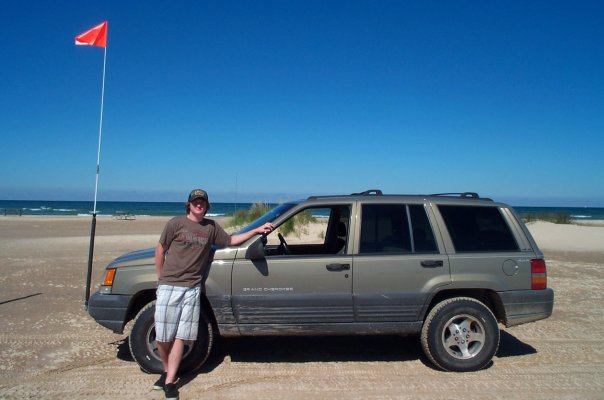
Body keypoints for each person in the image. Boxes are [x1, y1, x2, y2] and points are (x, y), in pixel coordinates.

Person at [153, 189, 274, 400]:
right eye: (195, 202)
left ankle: (170, 380)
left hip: (192, 288)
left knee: (182, 336)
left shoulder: (211, 227)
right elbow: (160, 249)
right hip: (169, 285)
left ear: (207, 205)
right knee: (163, 337)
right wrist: (160, 279)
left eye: (202, 202)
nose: (199, 205)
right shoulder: (175, 223)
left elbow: (232, 240)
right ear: (189, 205)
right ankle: (166, 371)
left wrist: (256, 230)